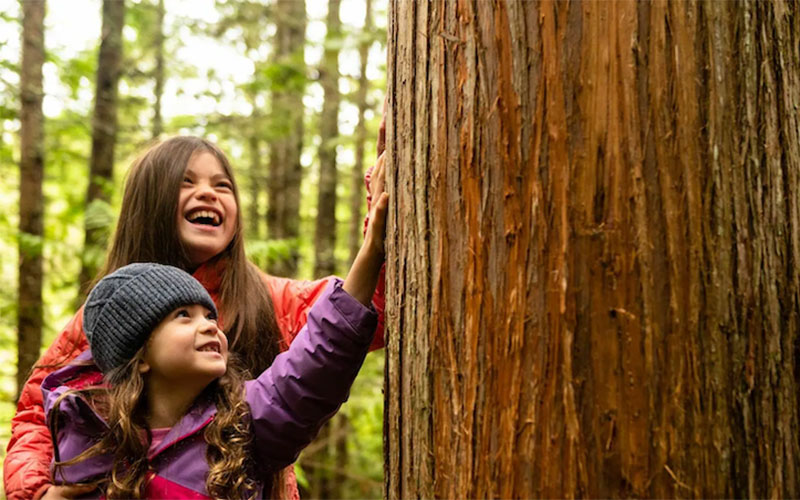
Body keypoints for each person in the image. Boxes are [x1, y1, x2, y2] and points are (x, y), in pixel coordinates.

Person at [5, 135, 387, 500]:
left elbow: (357, 316)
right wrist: (37, 489)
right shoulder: (108, 316)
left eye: (223, 186)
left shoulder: (272, 301)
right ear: (149, 205)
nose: (208, 193)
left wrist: (383, 200)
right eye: (186, 182)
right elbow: (41, 408)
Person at [45, 249, 383, 497]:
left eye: (209, 316)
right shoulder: (89, 439)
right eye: (183, 315)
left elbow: (319, 356)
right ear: (140, 354)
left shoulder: (246, 420)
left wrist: (371, 250)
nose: (209, 326)